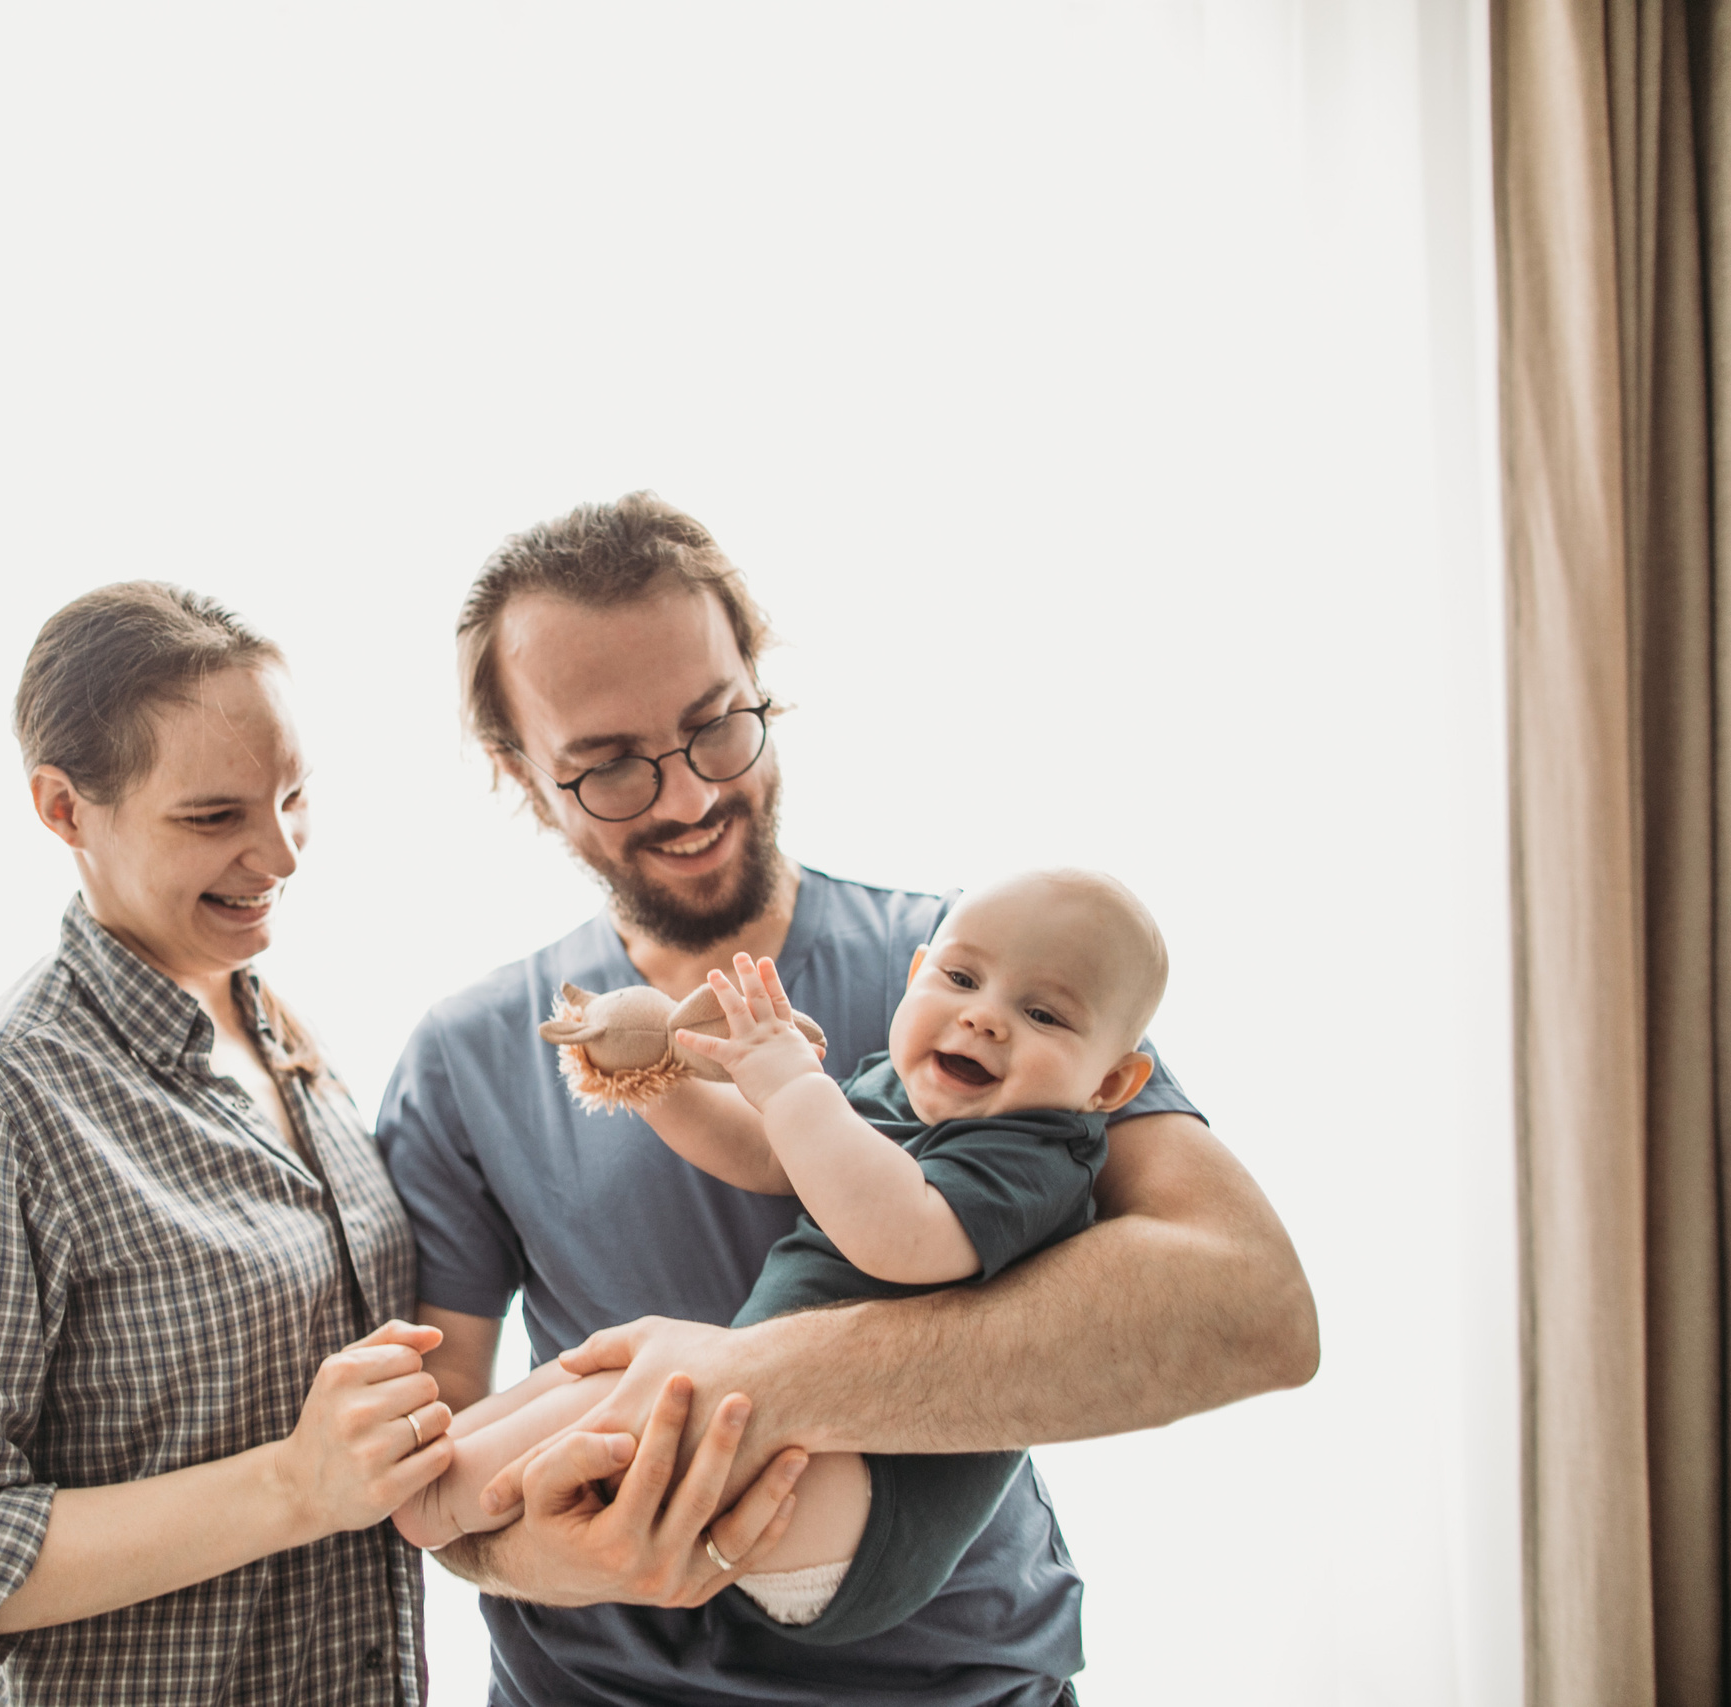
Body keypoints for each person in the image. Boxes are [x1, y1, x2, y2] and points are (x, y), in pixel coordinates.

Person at [374, 493, 1319, 1705]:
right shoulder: (467, 1056)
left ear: (762, 686)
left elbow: (1253, 1310)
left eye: (716, 727)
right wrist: (526, 1556)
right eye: (607, 766)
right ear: (519, 773)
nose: (686, 798)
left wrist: (756, 1379)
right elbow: (427, 1456)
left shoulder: (996, 984)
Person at [0, 582, 506, 1706]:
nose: (281, 855)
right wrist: (294, 1486)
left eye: (294, 796)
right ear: (64, 809)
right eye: (213, 817)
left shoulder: (275, 1029)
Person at [391, 870, 1170, 1641]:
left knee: (653, 1387)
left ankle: (444, 1499)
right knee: (597, 1370)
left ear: (1111, 1082)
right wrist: (655, 1081)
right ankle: (451, 1455)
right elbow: (770, 1153)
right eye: (961, 978)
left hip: (864, 1502)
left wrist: (795, 1083)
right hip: (805, 1444)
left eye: (1043, 1013)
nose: (983, 1018)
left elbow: (899, 1233)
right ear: (915, 977)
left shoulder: (1039, 1157)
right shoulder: (899, 1087)